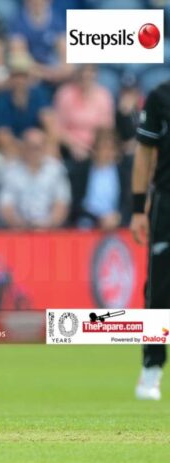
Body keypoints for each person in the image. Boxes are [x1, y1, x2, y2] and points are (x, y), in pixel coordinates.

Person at [130, 80, 170, 401]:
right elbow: (144, 153)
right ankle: (151, 369)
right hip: (167, 203)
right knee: (158, 289)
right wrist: (137, 208)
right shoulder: (160, 97)